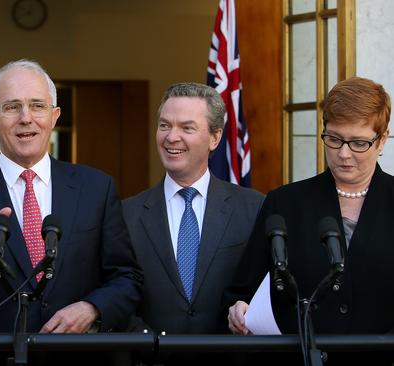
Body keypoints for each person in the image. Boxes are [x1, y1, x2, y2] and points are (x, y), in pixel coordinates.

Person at [0, 59, 142, 335]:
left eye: (38, 105)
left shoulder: (97, 188)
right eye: (12, 107)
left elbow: (127, 277)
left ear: (54, 116)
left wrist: (92, 308)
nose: (26, 117)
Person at [226, 77, 394, 361]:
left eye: (358, 143)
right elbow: (244, 291)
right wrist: (238, 309)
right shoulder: (285, 203)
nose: (344, 154)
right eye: (334, 139)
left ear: (382, 139)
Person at [123, 82, 263, 334]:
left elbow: (266, 290)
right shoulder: (125, 214)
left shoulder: (253, 208)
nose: (171, 136)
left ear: (215, 137)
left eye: (187, 128)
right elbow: (118, 295)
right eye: (164, 125)